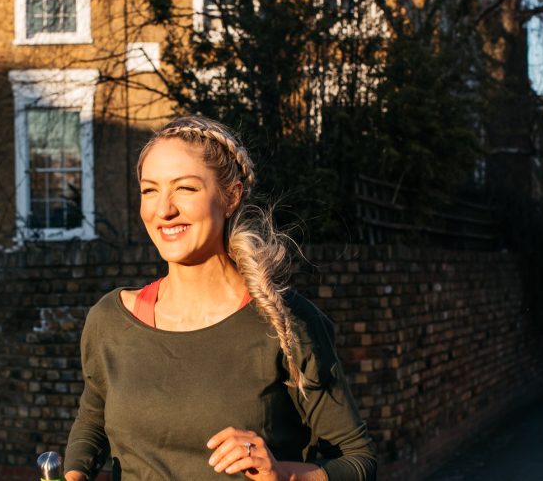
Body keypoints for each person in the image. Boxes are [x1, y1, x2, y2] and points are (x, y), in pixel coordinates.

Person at [63, 116, 376, 481]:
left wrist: (283, 474)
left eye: (186, 189)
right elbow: (93, 419)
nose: (163, 209)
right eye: (150, 190)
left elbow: (359, 460)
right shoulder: (110, 320)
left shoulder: (285, 321)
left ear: (232, 196)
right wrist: (73, 473)